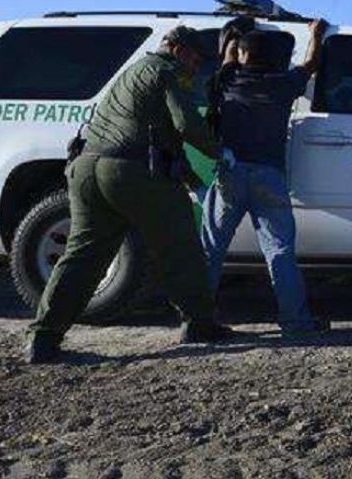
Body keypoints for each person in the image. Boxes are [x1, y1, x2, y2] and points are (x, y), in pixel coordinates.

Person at [25, 26, 234, 363]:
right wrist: (219, 150)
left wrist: (188, 173)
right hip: (130, 171)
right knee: (181, 247)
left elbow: (156, 129)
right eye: (195, 58)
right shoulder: (169, 71)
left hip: (87, 167)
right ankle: (199, 323)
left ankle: (43, 337)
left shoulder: (133, 71)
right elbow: (185, 124)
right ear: (178, 49)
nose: (196, 66)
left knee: (82, 256)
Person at [200, 20, 328, 336]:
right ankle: (296, 322)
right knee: (280, 250)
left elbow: (228, 58)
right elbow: (311, 64)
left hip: (230, 174)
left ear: (243, 54)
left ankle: (197, 319)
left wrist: (233, 36)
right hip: (268, 176)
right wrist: (316, 35)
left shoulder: (228, 80)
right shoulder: (283, 83)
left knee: (211, 249)